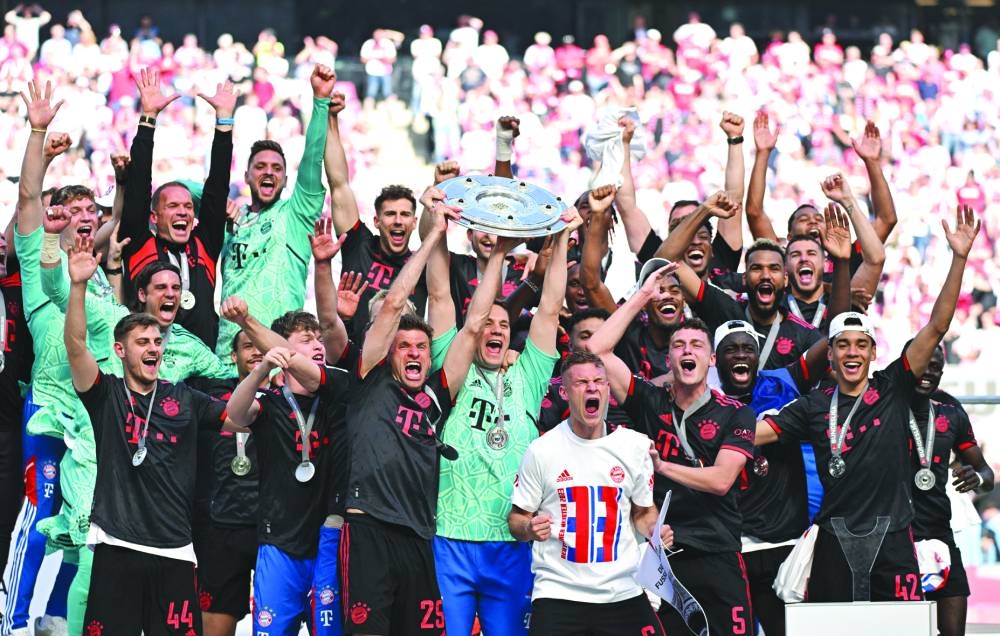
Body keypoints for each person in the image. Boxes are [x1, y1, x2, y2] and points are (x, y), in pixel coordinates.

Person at [755, 206, 981, 603]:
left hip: (894, 538)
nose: (852, 352)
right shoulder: (814, 404)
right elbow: (759, 433)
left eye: (861, 344)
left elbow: (937, 327)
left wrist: (959, 258)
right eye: (842, 345)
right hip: (833, 539)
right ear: (831, 356)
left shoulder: (893, 387)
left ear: (874, 352)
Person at [63, 234, 234, 635]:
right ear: (121, 351)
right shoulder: (105, 394)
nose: (153, 346)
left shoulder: (184, 398)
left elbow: (238, 413)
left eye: (157, 341)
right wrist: (77, 286)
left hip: (174, 551)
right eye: (142, 341)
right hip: (116, 548)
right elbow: (75, 347)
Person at [425, 187, 574, 634]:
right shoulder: (451, 365)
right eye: (486, 322)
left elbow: (548, 310)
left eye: (503, 324)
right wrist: (438, 227)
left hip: (512, 539)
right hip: (450, 534)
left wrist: (564, 233)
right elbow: (439, 295)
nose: (494, 329)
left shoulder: (528, 375)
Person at [593, 270, 756, 635]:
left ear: (711, 360)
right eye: (679, 346)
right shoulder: (649, 401)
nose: (687, 351)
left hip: (719, 552)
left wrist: (661, 466)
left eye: (697, 346)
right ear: (668, 360)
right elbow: (596, 350)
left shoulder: (735, 412)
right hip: (666, 555)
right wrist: (641, 296)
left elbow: (720, 480)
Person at [338, 199, 471, 635]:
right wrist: (433, 234)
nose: (413, 352)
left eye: (421, 348)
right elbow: (395, 302)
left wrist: (500, 256)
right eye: (403, 345)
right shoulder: (366, 378)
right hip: (368, 528)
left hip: (418, 536)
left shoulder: (434, 396)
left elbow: (472, 328)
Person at [509, 350, 671, 636]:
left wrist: (656, 531)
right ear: (564, 391)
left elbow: (643, 513)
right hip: (559, 593)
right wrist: (530, 528)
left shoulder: (635, 447)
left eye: (598, 380)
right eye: (581, 383)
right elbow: (517, 520)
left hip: (622, 591)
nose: (592, 387)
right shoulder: (542, 450)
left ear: (608, 388)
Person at [227, 316, 350, 636]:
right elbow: (236, 414)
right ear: (281, 347)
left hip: (329, 541)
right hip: (279, 543)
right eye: (307, 339)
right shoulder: (270, 404)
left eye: (319, 339)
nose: (318, 345)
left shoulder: (338, 395)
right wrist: (261, 370)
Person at [216, 64, 335, 365]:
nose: (269, 172)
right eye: (260, 167)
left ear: (284, 179)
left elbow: (311, 160)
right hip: (228, 359)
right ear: (246, 176)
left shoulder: (295, 215)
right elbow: (185, 192)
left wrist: (320, 102)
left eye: (276, 168)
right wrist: (220, 207)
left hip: (278, 360)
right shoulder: (232, 219)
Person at [119, 68, 235, 349]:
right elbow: (138, 188)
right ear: (153, 217)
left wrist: (224, 123)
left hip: (202, 368)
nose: (183, 212)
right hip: (152, 361)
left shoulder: (205, 244)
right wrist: (148, 119)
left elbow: (217, 186)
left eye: (187, 207)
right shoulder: (139, 243)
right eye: (172, 206)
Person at [672, 193, 823, 369]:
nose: (765, 275)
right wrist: (703, 210)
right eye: (756, 268)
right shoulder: (725, 309)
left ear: (786, 278)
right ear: (744, 278)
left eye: (774, 269)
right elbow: (670, 260)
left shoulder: (805, 334)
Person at [908, 344, 994, 636]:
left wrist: (977, 478)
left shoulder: (951, 411)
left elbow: (986, 472)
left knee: (953, 632)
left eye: (936, 367)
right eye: (924, 363)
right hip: (895, 539)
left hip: (939, 536)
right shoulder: (884, 403)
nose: (929, 371)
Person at [327, 91, 425, 340]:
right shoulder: (359, 245)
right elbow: (338, 183)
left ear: (414, 222)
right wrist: (331, 119)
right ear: (377, 221)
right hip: (356, 362)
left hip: (405, 364)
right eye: (390, 214)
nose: (398, 221)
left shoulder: (422, 266)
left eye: (405, 215)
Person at [189, 330, 263, 636]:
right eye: (247, 347)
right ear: (233, 357)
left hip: (273, 530)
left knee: (278, 621)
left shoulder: (291, 398)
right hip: (221, 527)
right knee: (215, 622)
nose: (256, 352)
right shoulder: (211, 394)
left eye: (262, 346)